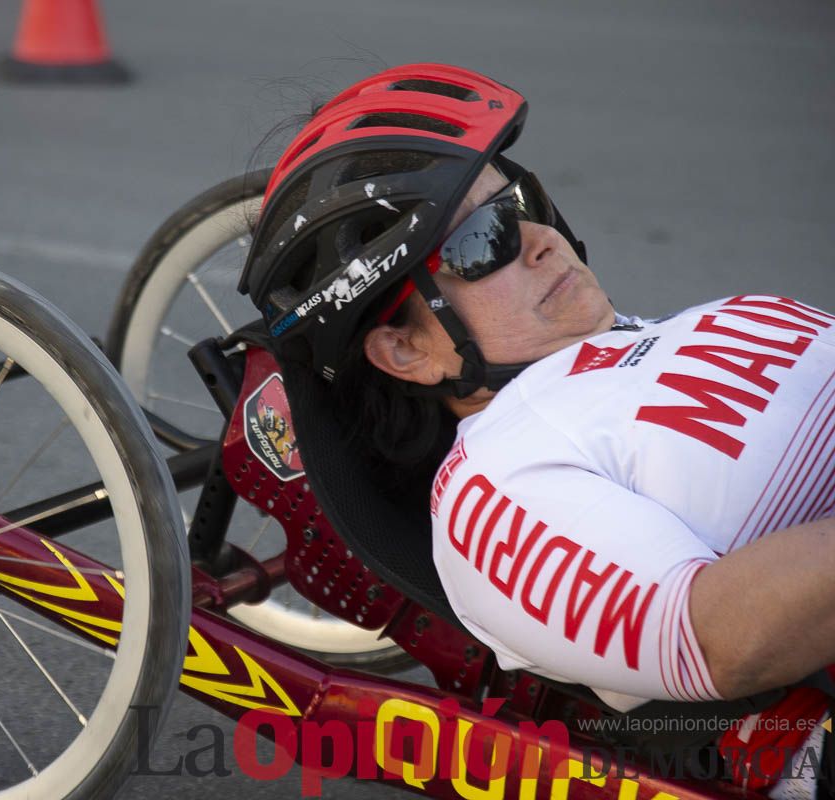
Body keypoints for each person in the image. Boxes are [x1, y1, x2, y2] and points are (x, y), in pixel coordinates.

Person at [237, 63, 834, 794]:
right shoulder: (500, 484)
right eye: (480, 244)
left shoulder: (645, 337)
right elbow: (717, 638)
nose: (541, 239)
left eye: (521, 202)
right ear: (408, 350)